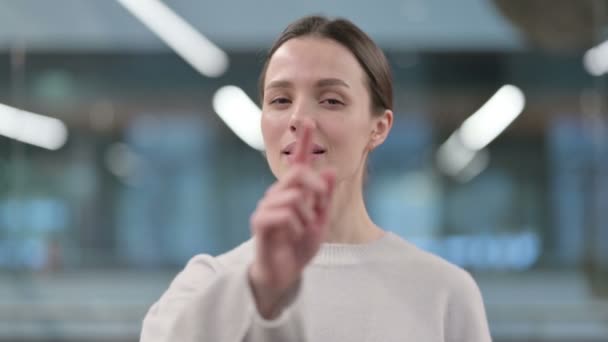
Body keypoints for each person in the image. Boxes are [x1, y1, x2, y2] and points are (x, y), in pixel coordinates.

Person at [140, 15, 492, 342]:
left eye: (331, 100)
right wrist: (261, 287)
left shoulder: (444, 293)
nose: (300, 119)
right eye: (279, 100)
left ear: (378, 127)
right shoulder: (207, 283)